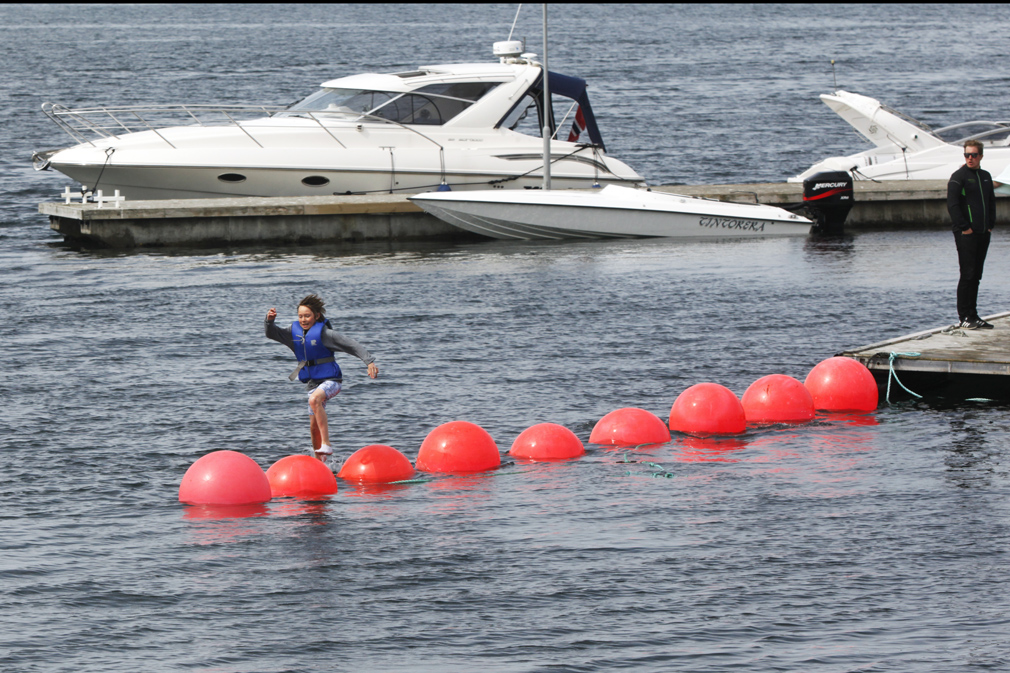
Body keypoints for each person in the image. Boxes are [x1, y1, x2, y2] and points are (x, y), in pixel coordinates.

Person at [265, 294, 378, 460]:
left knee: (314, 400)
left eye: (307, 316)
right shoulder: (293, 333)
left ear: (316, 316)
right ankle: (320, 461)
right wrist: (269, 321)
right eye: (301, 316)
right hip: (312, 383)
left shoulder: (325, 334)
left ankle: (327, 444)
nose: (303, 319)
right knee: (313, 427)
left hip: (331, 381)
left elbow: (351, 344)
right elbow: (272, 334)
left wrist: (369, 362)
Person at [947, 139, 996, 329]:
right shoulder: (959, 176)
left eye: (973, 155)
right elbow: (952, 204)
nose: (970, 158)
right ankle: (964, 316)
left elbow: (991, 202)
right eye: (967, 155)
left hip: (983, 232)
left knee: (977, 275)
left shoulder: (985, 176)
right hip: (966, 234)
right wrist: (964, 227)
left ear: (980, 156)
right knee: (967, 274)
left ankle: (974, 315)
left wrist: (990, 224)